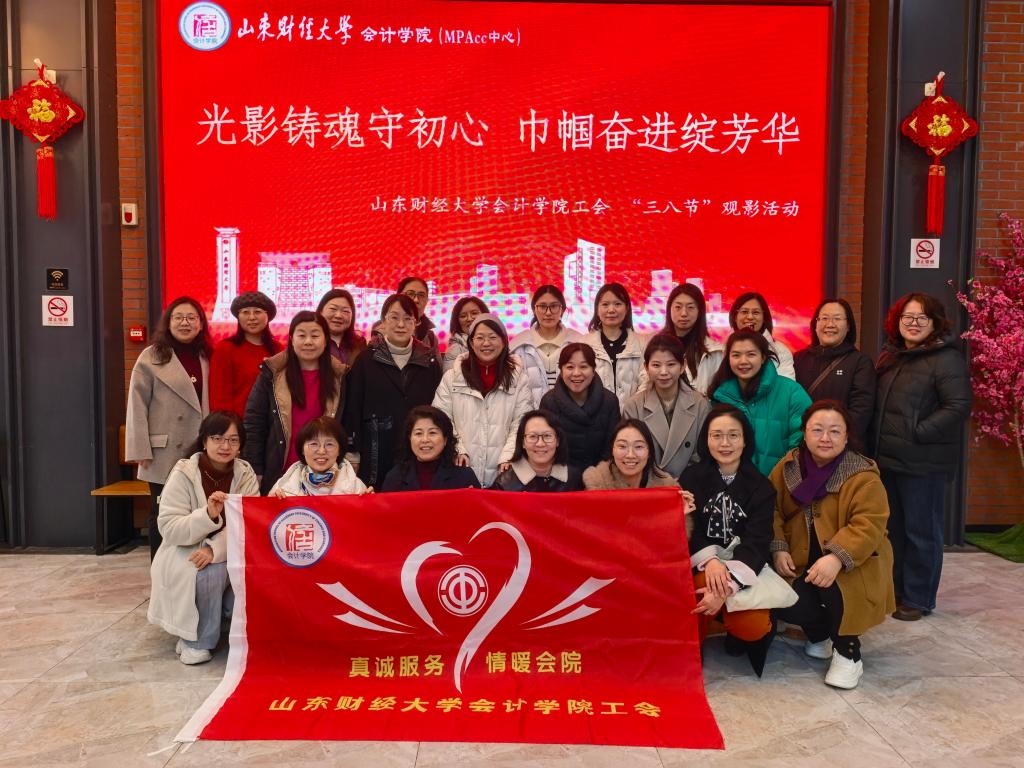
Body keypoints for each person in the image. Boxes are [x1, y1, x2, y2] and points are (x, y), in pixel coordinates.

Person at [771, 401, 896, 689]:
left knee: (837, 588)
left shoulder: (862, 476)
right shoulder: (788, 466)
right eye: (817, 430)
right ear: (804, 433)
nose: (825, 438)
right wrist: (778, 546)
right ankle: (819, 634)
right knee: (781, 598)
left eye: (835, 431)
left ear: (847, 436)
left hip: (855, 562)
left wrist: (837, 557)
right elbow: (771, 508)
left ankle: (848, 652)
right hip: (800, 558)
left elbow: (869, 524)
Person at [871, 293, 971, 621]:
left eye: (921, 318)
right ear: (897, 321)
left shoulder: (946, 359)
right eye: (907, 317)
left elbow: (958, 406)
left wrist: (918, 432)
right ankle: (897, 591)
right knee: (895, 531)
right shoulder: (891, 356)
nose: (913, 324)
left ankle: (918, 598)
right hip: (888, 460)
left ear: (934, 323)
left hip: (923, 462)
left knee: (921, 531)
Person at [147, 411, 259, 665]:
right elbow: (169, 528)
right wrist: (207, 516)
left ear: (240, 445)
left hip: (232, 547)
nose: (225, 446)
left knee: (248, 578)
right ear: (204, 441)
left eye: (233, 440)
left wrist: (213, 548)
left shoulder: (245, 473)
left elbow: (248, 523)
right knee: (211, 573)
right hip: (184, 550)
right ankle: (197, 641)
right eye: (218, 438)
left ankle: (225, 627)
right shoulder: (183, 473)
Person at [680, 404, 777, 676]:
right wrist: (710, 561)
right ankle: (693, 643)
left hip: (742, 568)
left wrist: (727, 584)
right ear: (706, 439)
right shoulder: (690, 478)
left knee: (753, 627)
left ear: (745, 440)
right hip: (704, 565)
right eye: (717, 435)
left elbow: (757, 542)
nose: (725, 443)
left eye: (733, 435)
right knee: (699, 591)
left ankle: (733, 625)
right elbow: (690, 529)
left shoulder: (761, 486)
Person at [126, 296, 213, 559]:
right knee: (161, 512)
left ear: (201, 323)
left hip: (201, 447)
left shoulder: (207, 356)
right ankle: (160, 568)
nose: (185, 323)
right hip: (162, 450)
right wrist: (139, 448)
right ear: (168, 322)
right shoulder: (151, 356)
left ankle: (190, 567)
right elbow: (137, 404)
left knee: (198, 509)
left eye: (191, 318)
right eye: (178, 317)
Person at [342, 293, 442, 488]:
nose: (401, 325)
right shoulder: (366, 360)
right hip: (376, 451)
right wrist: (352, 450)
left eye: (408, 319)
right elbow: (353, 407)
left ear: (416, 323)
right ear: (383, 321)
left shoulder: (428, 361)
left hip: (419, 450)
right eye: (394, 317)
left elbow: (438, 409)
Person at [243, 311, 346, 494]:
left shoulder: (341, 377)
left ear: (325, 340)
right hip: (281, 475)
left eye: (315, 336)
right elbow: (254, 424)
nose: (308, 342)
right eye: (301, 335)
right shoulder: (272, 374)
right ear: (291, 339)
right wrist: (255, 469)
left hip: (326, 477)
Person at [432, 314, 534, 486]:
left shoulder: (519, 380)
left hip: (503, 472)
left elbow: (522, 422)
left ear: (504, 341)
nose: (486, 343)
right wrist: (458, 449)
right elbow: (441, 418)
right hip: (460, 469)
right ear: (471, 343)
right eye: (480, 338)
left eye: (493, 337)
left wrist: (508, 456)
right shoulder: (452, 378)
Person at [709, 330, 812, 476]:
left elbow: (803, 440)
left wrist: (782, 476)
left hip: (778, 482)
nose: (743, 361)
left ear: (763, 357)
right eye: (736, 355)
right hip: (733, 483)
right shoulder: (720, 396)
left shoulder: (791, 392)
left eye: (751, 354)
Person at [622, 334, 711, 478]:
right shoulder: (633, 406)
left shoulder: (700, 404)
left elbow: (702, 454)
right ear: (646, 367)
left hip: (689, 484)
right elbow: (631, 454)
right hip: (649, 483)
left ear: (683, 366)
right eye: (656, 365)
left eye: (671, 364)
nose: (664, 372)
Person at [793, 298, 876, 445]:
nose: (830, 324)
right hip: (802, 443)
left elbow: (861, 412)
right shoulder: (799, 359)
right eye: (824, 318)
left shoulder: (860, 362)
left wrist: (833, 440)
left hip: (840, 446)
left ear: (848, 326)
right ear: (815, 324)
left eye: (837, 319)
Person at [538, 343, 620, 473]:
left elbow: (611, 447)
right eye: (570, 367)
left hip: (600, 475)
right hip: (560, 475)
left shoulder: (610, 401)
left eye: (583, 366)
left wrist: (597, 476)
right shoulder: (549, 402)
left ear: (593, 370)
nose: (576, 373)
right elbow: (546, 446)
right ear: (561, 370)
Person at [209, 292, 281, 418]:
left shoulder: (278, 350)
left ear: (268, 316)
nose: (252, 317)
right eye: (245, 312)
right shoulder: (225, 349)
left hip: (272, 424)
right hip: (237, 424)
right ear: (238, 317)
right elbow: (219, 396)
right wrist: (229, 425)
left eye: (257, 312)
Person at [379, 406, 482, 491]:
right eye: (418, 433)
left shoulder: (465, 477)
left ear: (445, 439)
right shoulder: (395, 477)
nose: (425, 440)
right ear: (410, 438)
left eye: (432, 433)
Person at [510, 285, 582, 405]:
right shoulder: (518, 345)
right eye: (542, 307)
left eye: (554, 306)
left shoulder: (578, 342)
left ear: (562, 309)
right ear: (534, 309)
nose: (548, 313)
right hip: (530, 414)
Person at [582, 282, 648, 405]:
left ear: (627, 308)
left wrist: (633, 409)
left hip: (633, 413)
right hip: (595, 414)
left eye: (617, 304)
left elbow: (646, 382)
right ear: (597, 309)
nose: (611, 310)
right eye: (605, 304)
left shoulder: (642, 344)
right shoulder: (584, 344)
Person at [654, 283, 724, 395]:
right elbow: (645, 386)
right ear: (669, 309)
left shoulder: (715, 352)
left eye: (690, 307)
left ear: (700, 311)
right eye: (678, 307)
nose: (684, 313)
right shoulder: (655, 346)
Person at [270, 417, 368, 496]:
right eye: (314, 444)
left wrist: (368, 503)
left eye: (329, 444)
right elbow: (268, 515)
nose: (321, 451)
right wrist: (274, 504)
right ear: (302, 449)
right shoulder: (283, 486)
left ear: (339, 450)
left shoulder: (356, 487)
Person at [491, 410, 583, 491]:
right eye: (532, 436)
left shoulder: (573, 480)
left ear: (558, 441)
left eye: (547, 436)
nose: (540, 444)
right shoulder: (504, 484)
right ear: (523, 443)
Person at [582, 419, 681, 490]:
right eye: (622, 446)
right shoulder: (598, 482)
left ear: (649, 452)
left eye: (638, 447)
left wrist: (682, 509)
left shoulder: (665, 485)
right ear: (612, 450)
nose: (630, 455)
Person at [728, 292, 796, 380]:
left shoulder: (780, 351)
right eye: (744, 312)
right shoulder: (721, 350)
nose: (750, 317)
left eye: (756, 312)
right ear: (735, 317)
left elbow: (786, 386)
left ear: (764, 317)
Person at [317, 288, 366, 366]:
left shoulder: (359, 344)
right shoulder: (312, 342)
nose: (338, 315)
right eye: (333, 309)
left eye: (345, 311)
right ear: (320, 311)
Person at [444, 296, 489, 373]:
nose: (469, 319)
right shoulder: (455, 350)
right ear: (457, 321)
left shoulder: (497, 342)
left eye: (474, 313)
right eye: (463, 316)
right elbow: (453, 379)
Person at [399, 276, 439, 356]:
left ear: (427, 300)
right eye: (410, 294)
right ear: (397, 297)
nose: (416, 300)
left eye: (421, 295)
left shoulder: (431, 338)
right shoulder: (382, 330)